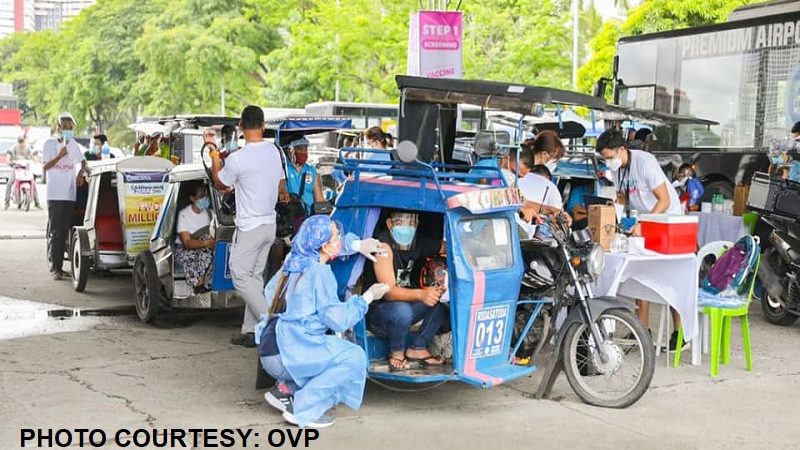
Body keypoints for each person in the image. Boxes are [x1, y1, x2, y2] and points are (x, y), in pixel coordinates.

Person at [256, 215, 388, 428]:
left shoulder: (293, 262)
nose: (339, 240)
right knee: (353, 357)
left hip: (272, 346)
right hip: (290, 353)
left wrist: (356, 244)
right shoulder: (319, 274)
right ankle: (302, 410)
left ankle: (285, 389)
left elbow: (270, 292)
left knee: (326, 350)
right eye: (337, 237)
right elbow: (339, 320)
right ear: (325, 246)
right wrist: (367, 298)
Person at [595, 128, 685, 349]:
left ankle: (680, 334)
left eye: (609, 157)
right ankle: (641, 329)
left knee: (671, 280)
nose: (608, 162)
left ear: (621, 149)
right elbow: (622, 198)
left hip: (668, 222)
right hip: (646, 223)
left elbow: (663, 201)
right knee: (637, 274)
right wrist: (612, 218)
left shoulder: (645, 162)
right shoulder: (617, 171)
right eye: (604, 159)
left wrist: (643, 224)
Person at [211, 105, 289, 347]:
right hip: (269, 224)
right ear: (263, 126)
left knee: (239, 274)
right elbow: (281, 184)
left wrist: (215, 160)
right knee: (254, 276)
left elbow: (221, 184)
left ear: (241, 128)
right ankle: (251, 331)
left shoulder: (238, 159)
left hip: (251, 226)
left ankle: (272, 322)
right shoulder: (276, 152)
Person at [364, 211, 449, 371]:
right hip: (380, 314)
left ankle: (418, 346)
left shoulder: (418, 241)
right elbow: (388, 292)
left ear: (416, 225)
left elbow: (447, 246)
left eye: (411, 223)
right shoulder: (383, 246)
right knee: (401, 310)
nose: (406, 227)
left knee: (444, 297)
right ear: (390, 224)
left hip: (409, 309)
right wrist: (421, 294)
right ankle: (397, 352)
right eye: (400, 222)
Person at [42, 113, 88, 280]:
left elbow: (83, 162)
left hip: (69, 194)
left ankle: (61, 267)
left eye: (70, 127)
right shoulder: (50, 144)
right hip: (55, 194)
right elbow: (46, 166)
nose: (67, 130)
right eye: (65, 127)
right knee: (56, 231)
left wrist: (81, 173)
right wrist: (59, 156)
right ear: (58, 128)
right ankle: (55, 268)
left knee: (65, 230)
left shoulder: (74, 145)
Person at [175, 184, 215, 294]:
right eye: (201, 196)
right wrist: (206, 243)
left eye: (206, 195)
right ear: (192, 198)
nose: (205, 198)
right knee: (202, 251)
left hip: (206, 248)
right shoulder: (184, 215)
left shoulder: (211, 214)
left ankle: (201, 283)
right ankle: (200, 282)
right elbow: (186, 243)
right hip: (186, 250)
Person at [285, 137, 324, 215]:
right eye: (299, 149)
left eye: (305, 149)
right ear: (290, 150)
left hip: (309, 217)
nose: (303, 152)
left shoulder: (312, 170)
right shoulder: (284, 170)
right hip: (290, 217)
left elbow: (319, 199)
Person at [5, 136, 41, 210]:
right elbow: (8, 156)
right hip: (16, 168)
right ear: (18, 142)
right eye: (20, 142)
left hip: (26, 169)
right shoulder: (14, 148)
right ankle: (7, 202)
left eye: (23, 142)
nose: (22, 144)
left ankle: (37, 203)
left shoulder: (28, 148)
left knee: (33, 184)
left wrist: (35, 161)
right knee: (9, 183)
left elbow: (32, 155)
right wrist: (9, 161)